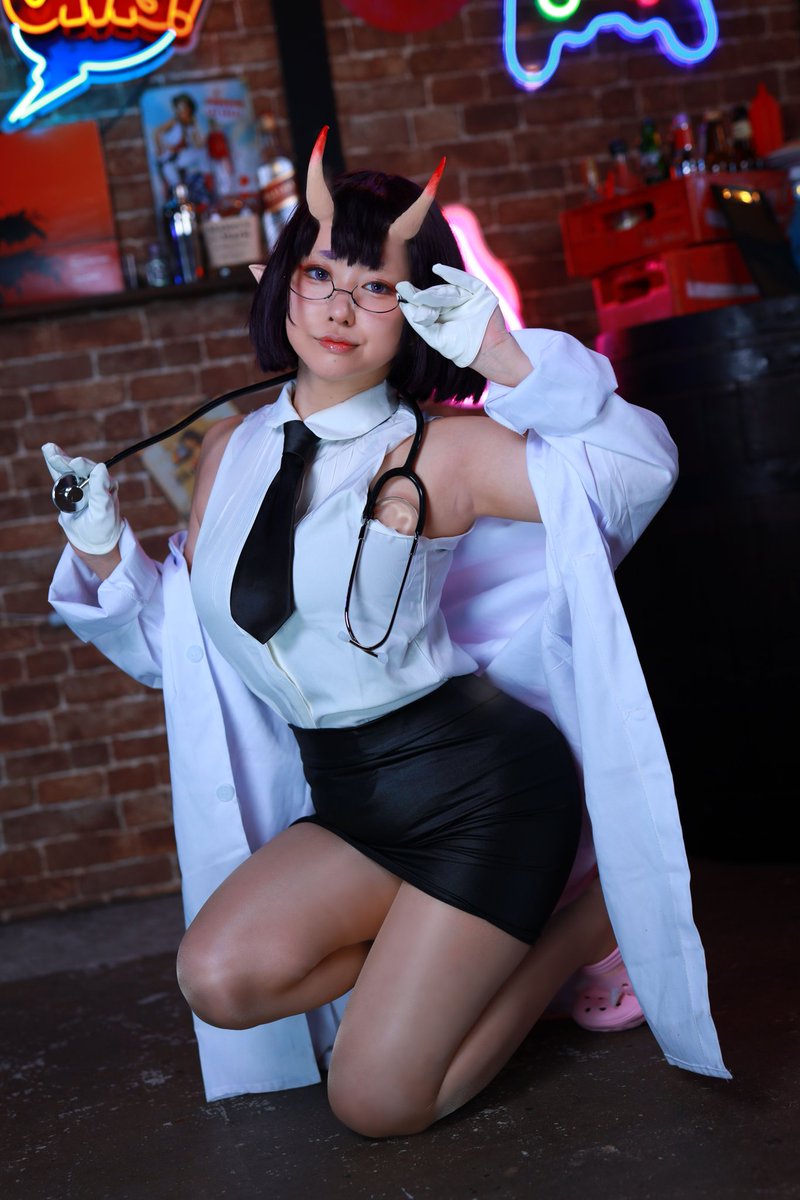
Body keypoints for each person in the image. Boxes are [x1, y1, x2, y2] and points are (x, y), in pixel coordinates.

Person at [42, 129, 729, 1136]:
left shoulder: (443, 453)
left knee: (376, 1103)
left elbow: (639, 472)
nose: (337, 307)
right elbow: (185, 660)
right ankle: (451, 959)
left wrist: (503, 357)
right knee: (218, 979)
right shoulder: (228, 451)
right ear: (280, 283)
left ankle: (580, 926)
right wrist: (104, 555)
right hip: (351, 802)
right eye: (320, 273)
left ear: (414, 310)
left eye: (374, 287)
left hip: (483, 794)